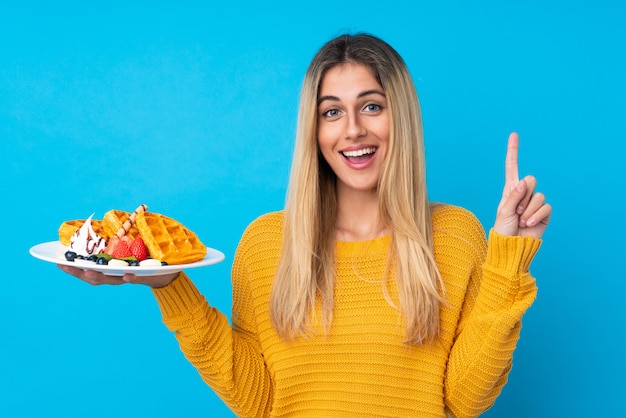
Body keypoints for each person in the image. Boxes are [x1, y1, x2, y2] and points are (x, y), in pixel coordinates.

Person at [59, 33, 551, 417]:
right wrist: (169, 285)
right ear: (313, 131)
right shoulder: (267, 243)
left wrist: (508, 258)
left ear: (401, 115)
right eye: (332, 112)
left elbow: (467, 400)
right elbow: (257, 401)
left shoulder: (454, 235)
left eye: (372, 106)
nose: (353, 129)